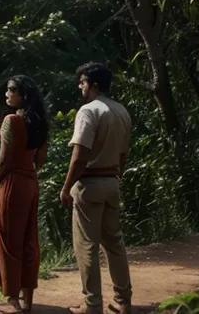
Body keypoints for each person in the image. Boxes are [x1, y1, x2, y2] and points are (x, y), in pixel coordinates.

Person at [60, 62, 133, 314]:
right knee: (114, 243)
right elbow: (123, 154)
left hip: (89, 184)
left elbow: (80, 154)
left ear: (94, 85)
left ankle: (92, 305)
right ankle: (123, 301)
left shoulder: (88, 111)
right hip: (112, 181)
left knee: (86, 245)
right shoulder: (121, 111)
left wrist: (66, 186)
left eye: (82, 82)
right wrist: (115, 177)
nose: (80, 86)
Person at [0, 75, 49, 314]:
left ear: (23, 95)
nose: (7, 94)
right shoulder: (39, 123)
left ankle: (13, 298)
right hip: (30, 182)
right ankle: (28, 299)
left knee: (9, 242)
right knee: (28, 239)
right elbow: (39, 160)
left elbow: (2, 161)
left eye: (11, 90)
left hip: (11, 183)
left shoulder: (11, 121)